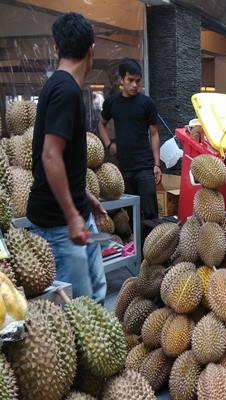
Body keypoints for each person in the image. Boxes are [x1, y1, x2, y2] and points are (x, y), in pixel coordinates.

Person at [27, 12, 107, 303]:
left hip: (74, 216)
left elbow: (61, 158)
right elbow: (50, 156)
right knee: (78, 310)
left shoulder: (64, 88)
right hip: (59, 223)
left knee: (96, 295)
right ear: (92, 50)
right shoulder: (65, 91)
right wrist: (73, 216)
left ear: (56, 48)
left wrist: (84, 197)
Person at [98, 58, 161, 220]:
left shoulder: (147, 103)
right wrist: (108, 144)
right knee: (131, 215)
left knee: (150, 213)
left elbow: (154, 134)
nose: (134, 85)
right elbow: (101, 124)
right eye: (130, 80)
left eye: (137, 81)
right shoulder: (112, 103)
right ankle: (136, 245)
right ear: (121, 80)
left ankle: (151, 245)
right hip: (124, 168)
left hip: (145, 167)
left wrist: (157, 164)